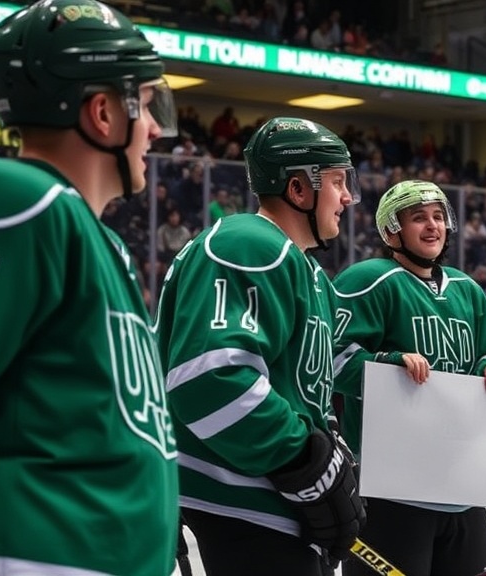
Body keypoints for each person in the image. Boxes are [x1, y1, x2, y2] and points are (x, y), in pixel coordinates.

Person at [0, 1, 179, 574]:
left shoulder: (99, 238)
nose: (155, 129)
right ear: (102, 113)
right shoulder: (25, 201)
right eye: (145, 104)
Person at [156, 117, 366, 576]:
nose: (348, 197)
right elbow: (210, 379)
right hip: (244, 507)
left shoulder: (308, 271)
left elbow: (306, 387)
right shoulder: (248, 243)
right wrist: (305, 462)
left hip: (279, 512)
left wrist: (331, 450)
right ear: (298, 189)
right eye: (337, 182)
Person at [331, 179, 486, 576]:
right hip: (390, 488)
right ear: (390, 232)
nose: (433, 225)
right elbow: (329, 361)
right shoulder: (368, 280)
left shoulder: (468, 289)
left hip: (462, 485)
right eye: (418, 218)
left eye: (438, 216)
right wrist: (386, 363)